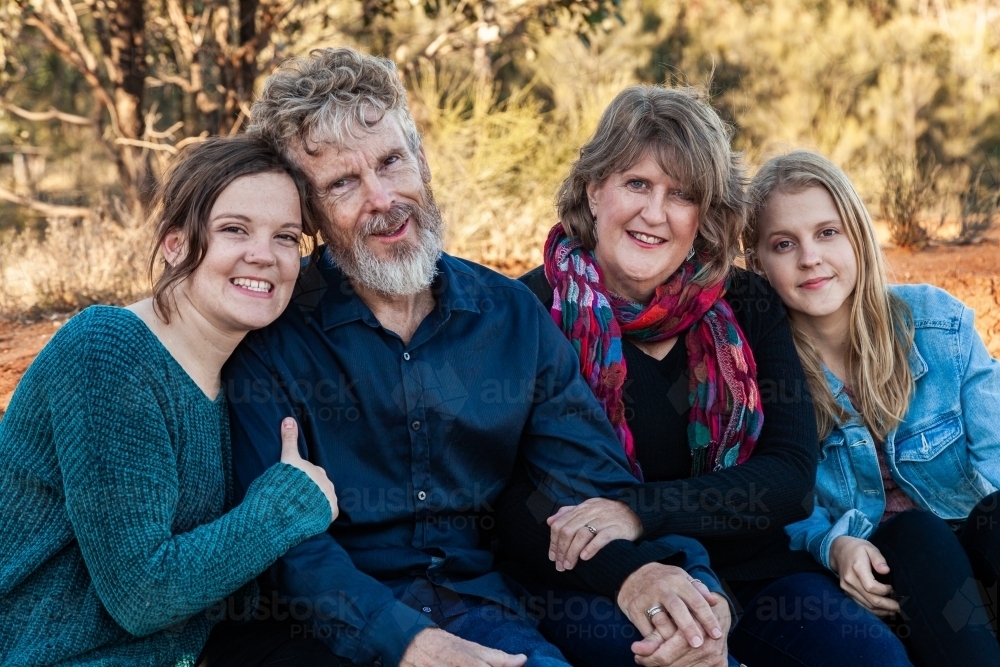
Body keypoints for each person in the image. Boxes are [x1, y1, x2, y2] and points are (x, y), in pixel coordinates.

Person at [222, 47, 735, 667]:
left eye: (391, 161)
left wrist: (680, 584)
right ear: (308, 213)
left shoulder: (510, 317)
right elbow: (290, 551)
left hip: (487, 610)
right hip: (330, 632)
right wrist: (408, 643)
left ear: (423, 161)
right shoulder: (271, 334)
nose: (383, 198)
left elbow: (593, 482)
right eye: (343, 184)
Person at [508, 86, 915, 667]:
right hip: (606, 583)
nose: (655, 213)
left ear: (705, 216)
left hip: (758, 576)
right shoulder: (530, 311)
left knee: (873, 661)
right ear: (595, 189)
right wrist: (632, 567)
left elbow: (789, 477)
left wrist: (636, 510)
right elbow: (516, 502)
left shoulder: (746, 301)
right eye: (637, 184)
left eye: (682, 195)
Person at [0, 136, 340, 666]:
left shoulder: (238, 374)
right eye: (234, 229)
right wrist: (283, 510)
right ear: (174, 244)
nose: (263, 255)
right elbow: (143, 594)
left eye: (286, 238)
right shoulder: (110, 352)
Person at [743, 149, 1000, 667]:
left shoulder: (936, 324)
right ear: (759, 264)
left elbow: (996, 456)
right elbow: (777, 502)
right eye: (783, 244)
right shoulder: (760, 370)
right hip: (876, 576)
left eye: (827, 232)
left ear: (857, 234)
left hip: (973, 550)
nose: (809, 257)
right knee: (914, 533)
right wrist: (834, 546)